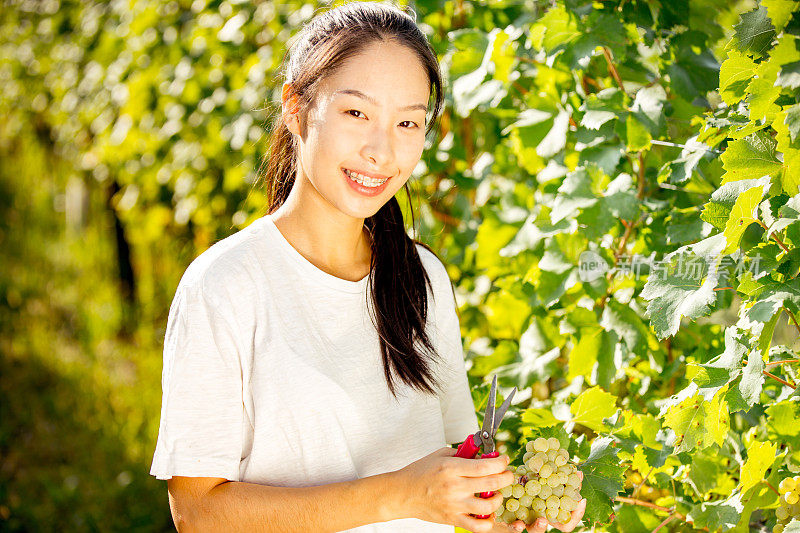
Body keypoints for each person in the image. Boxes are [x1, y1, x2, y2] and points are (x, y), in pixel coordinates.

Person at [149, 2, 586, 532]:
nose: (381, 151)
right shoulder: (224, 286)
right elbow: (197, 514)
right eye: (357, 113)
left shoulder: (424, 279)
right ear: (296, 109)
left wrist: (498, 516)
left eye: (408, 122)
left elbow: (444, 478)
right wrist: (399, 496)